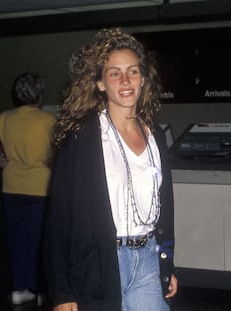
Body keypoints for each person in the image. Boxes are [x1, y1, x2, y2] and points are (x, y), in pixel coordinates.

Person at [44, 28, 178, 311]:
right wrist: (62, 290)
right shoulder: (82, 138)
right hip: (99, 264)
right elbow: (59, 217)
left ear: (143, 79)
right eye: (114, 73)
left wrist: (168, 262)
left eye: (132, 71)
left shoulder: (155, 135)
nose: (126, 80)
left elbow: (164, 210)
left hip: (148, 261)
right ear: (101, 83)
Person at [0, 72, 55, 305]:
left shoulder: (6, 118)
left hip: (12, 187)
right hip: (41, 188)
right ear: (40, 95)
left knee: (18, 241)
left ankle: (19, 290)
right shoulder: (48, 121)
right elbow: (58, 152)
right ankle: (39, 292)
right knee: (40, 242)